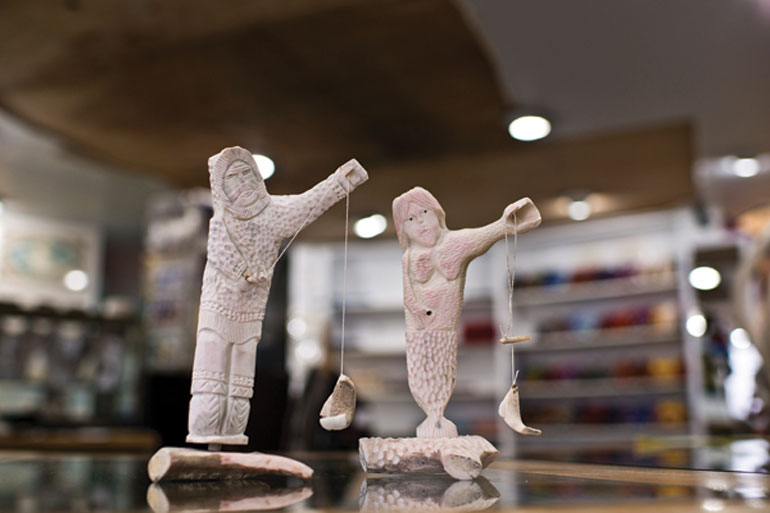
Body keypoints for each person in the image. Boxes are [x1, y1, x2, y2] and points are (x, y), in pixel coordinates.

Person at [187, 146, 367, 445]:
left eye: (248, 174)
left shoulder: (275, 213)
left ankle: (231, 433)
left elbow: (311, 202)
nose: (243, 183)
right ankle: (205, 430)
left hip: (249, 315)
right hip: (218, 310)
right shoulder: (223, 221)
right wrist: (243, 276)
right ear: (222, 187)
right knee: (213, 370)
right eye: (233, 177)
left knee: (241, 375)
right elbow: (221, 258)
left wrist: (341, 182)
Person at [392, 187, 540, 438]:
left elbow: (486, 234)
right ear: (402, 229)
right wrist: (417, 310)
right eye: (410, 219)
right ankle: (433, 421)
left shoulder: (455, 243)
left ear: (438, 213)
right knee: (421, 377)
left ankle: (437, 420)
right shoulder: (409, 257)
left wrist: (506, 224)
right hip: (418, 333)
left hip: (444, 332)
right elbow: (409, 293)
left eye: (424, 213)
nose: (420, 223)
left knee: (441, 375)